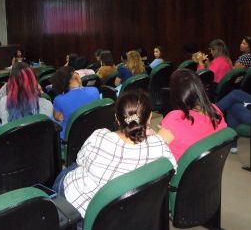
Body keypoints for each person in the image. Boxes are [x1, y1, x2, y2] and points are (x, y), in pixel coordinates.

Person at [52, 90, 176, 218]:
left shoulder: (99, 136)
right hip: (120, 215)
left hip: (81, 211)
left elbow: (80, 160)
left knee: (68, 172)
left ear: (117, 118)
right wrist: (159, 138)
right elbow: (172, 171)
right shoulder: (160, 146)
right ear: (150, 117)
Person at [157, 69, 227, 161]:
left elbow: (152, 153)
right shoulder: (215, 110)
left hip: (178, 173)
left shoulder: (175, 118)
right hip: (208, 168)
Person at [51, 66, 100, 139]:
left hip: (71, 137)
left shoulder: (58, 99)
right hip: (93, 131)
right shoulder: (94, 90)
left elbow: (58, 118)